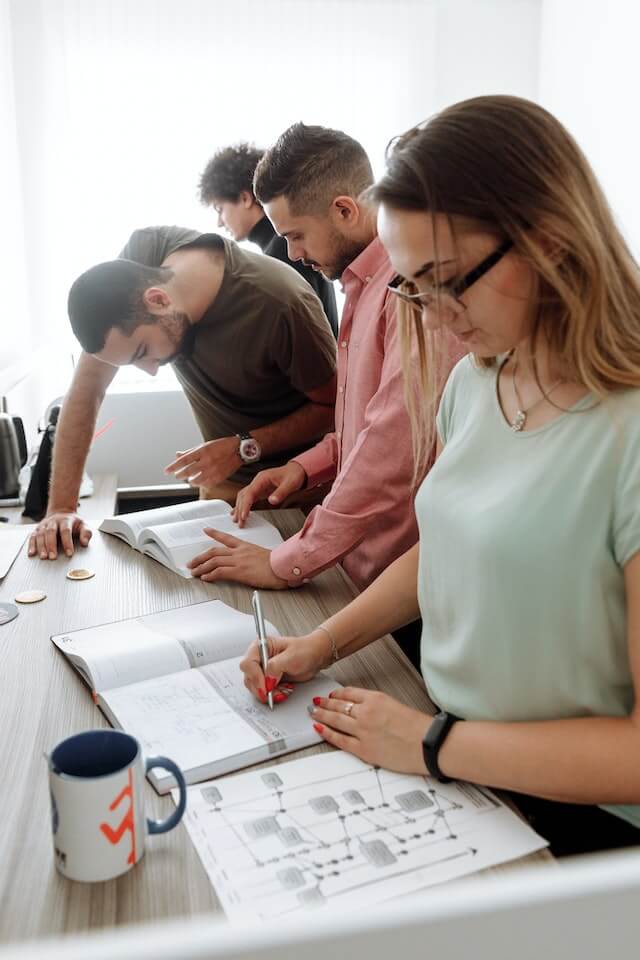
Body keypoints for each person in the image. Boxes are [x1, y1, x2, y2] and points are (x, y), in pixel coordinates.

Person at [239, 96, 640, 857]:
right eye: (413, 284)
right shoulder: (479, 379)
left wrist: (429, 745)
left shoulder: (628, 432)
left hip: (582, 820)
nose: (433, 313)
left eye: (448, 280)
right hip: (460, 760)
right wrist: (319, 645)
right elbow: (447, 544)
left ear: (550, 242)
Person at [188, 124, 459, 668]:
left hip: (403, 589)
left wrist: (287, 560)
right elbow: (364, 424)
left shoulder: (407, 291)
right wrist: (305, 468)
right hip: (358, 571)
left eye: (296, 235)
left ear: (343, 210)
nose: (291, 252)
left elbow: (393, 449)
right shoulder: (357, 284)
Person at [28, 226, 336, 561]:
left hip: (301, 492)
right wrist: (60, 509)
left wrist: (244, 447)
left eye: (143, 351)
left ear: (158, 300)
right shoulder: (144, 258)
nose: (151, 369)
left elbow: (333, 408)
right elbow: (87, 391)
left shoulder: (281, 302)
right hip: (224, 491)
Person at [199, 143, 339, 336]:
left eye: (219, 210)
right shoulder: (283, 245)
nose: (219, 223)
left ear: (245, 198)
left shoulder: (282, 250)